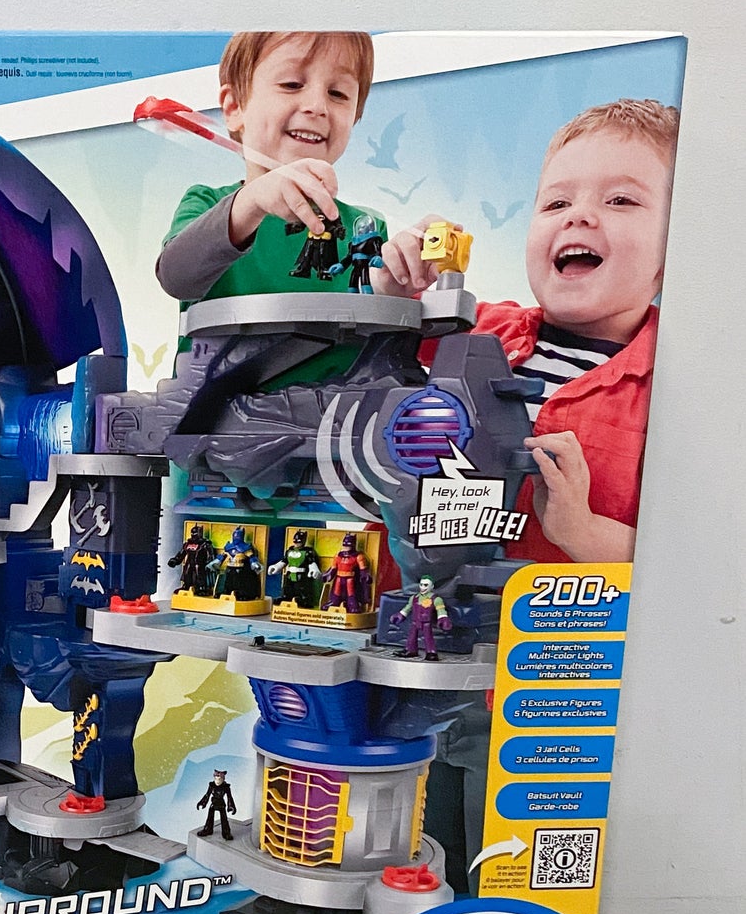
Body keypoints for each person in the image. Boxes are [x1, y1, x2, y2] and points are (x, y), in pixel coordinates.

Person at [373, 98, 679, 565]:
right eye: (556, 202)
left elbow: (692, 562)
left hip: (557, 614)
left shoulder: (679, 394)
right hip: (408, 603)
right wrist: (393, 283)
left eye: (620, 200)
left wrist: (584, 532)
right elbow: (368, 347)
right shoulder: (470, 328)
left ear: (681, 241)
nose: (578, 216)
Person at [156, 30, 387, 388]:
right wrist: (251, 202)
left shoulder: (364, 226)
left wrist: (401, 280)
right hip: (217, 415)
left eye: (338, 93)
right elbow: (176, 276)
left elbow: (379, 329)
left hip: (338, 417)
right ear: (235, 108)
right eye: (292, 84)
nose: (317, 106)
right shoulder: (206, 204)